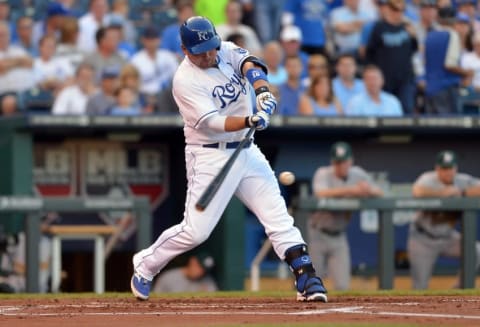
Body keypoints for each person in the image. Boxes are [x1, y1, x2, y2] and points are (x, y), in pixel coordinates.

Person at [130, 16, 327, 303]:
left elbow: (251, 64)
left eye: (211, 47)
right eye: (202, 51)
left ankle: (307, 277)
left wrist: (261, 92)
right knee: (196, 232)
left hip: (246, 150)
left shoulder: (222, 49)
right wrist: (250, 118)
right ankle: (146, 263)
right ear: (185, 51)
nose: (209, 54)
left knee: (277, 217)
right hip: (210, 155)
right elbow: (213, 123)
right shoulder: (184, 81)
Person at [309, 142, 383, 290]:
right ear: (332, 162)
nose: (341, 166)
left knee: (342, 286)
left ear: (351, 161)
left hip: (339, 236)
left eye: (344, 162)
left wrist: (368, 190)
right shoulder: (323, 173)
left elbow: (379, 192)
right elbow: (321, 193)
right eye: (337, 162)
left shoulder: (358, 173)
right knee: (312, 282)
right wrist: (352, 190)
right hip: (316, 233)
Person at [407, 150, 480, 289]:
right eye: (444, 169)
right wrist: (443, 193)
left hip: (447, 237)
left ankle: (459, 290)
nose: (447, 172)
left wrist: (462, 192)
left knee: (476, 251)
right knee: (420, 287)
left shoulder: (462, 180)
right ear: (437, 169)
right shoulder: (428, 178)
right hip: (423, 238)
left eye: (450, 168)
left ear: (455, 168)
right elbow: (417, 191)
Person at [366, 0, 418, 114]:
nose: (398, 13)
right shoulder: (379, 28)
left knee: (407, 108)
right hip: (385, 79)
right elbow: (370, 53)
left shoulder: (407, 28)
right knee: (386, 112)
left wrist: (414, 36)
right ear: (388, 9)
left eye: (401, 10)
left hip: (405, 78)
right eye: (395, 9)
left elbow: (415, 50)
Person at [424, 6, 473, 114]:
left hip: (430, 88)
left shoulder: (430, 35)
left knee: (431, 128)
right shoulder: (452, 35)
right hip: (446, 89)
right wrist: (467, 73)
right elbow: (449, 65)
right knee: (449, 128)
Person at [152, 252, 218, 293]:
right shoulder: (168, 277)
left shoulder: (207, 281)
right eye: (199, 267)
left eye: (204, 270)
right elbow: (155, 300)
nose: (200, 272)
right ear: (192, 261)